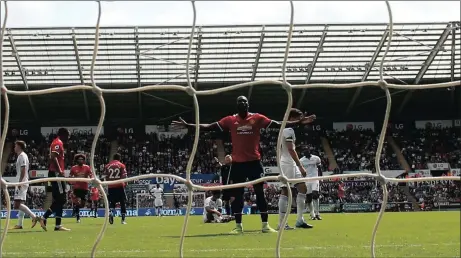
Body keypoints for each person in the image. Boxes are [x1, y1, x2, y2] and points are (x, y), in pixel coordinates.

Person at [173, 95, 316, 234]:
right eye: (240, 103)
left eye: (245, 102)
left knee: (260, 194)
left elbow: (279, 124)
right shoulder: (230, 120)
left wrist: (298, 122)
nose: (243, 105)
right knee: (238, 195)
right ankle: (238, 226)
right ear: (237, 106)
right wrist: (189, 126)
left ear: (248, 105)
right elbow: (209, 126)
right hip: (238, 164)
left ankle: (265, 225)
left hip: (254, 163)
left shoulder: (257, 118)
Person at [278, 109, 313, 230]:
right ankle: (282, 223)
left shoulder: (287, 129)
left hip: (289, 162)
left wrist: (305, 120)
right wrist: (300, 166)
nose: (301, 120)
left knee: (303, 188)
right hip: (288, 163)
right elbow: (290, 149)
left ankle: (299, 220)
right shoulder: (288, 130)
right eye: (299, 117)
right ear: (292, 118)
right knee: (286, 191)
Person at [10, 141, 45, 230]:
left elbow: (23, 169)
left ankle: (34, 217)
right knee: (21, 203)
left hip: (22, 182)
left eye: (15, 146)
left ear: (19, 147)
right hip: (24, 181)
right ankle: (20, 224)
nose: (14, 147)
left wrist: (20, 182)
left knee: (16, 205)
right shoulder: (23, 155)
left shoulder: (21, 156)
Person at [41, 128, 71, 231]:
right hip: (56, 173)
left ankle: (56, 224)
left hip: (55, 173)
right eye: (68, 136)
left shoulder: (57, 142)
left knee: (60, 199)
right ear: (63, 134)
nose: (69, 138)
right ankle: (45, 218)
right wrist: (60, 171)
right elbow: (53, 157)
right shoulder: (58, 142)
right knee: (61, 198)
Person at [104, 153, 128, 225]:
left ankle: (111, 212)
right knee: (122, 202)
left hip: (111, 187)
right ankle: (123, 220)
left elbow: (105, 177)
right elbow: (124, 176)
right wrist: (125, 184)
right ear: (119, 158)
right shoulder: (121, 165)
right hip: (119, 186)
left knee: (112, 202)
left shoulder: (107, 166)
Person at [69, 154, 93, 223]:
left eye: (82, 159)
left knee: (82, 204)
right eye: (79, 159)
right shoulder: (73, 168)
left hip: (84, 188)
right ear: (76, 160)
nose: (81, 160)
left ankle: (75, 209)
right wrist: (70, 182)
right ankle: (78, 217)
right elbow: (70, 176)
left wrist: (92, 180)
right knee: (77, 202)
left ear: (84, 160)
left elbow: (91, 175)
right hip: (76, 188)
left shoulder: (87, 167)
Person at [300, 150, 323, 220]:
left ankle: (317, 214)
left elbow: (319, 169)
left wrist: (321, 178)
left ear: (310, 152)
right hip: (306, 180)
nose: (306, 153)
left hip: (315, 179)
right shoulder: (301, 160)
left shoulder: (316, 158)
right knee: (309, 198)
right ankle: (312, 214)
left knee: (315, 195)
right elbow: (300, 171)